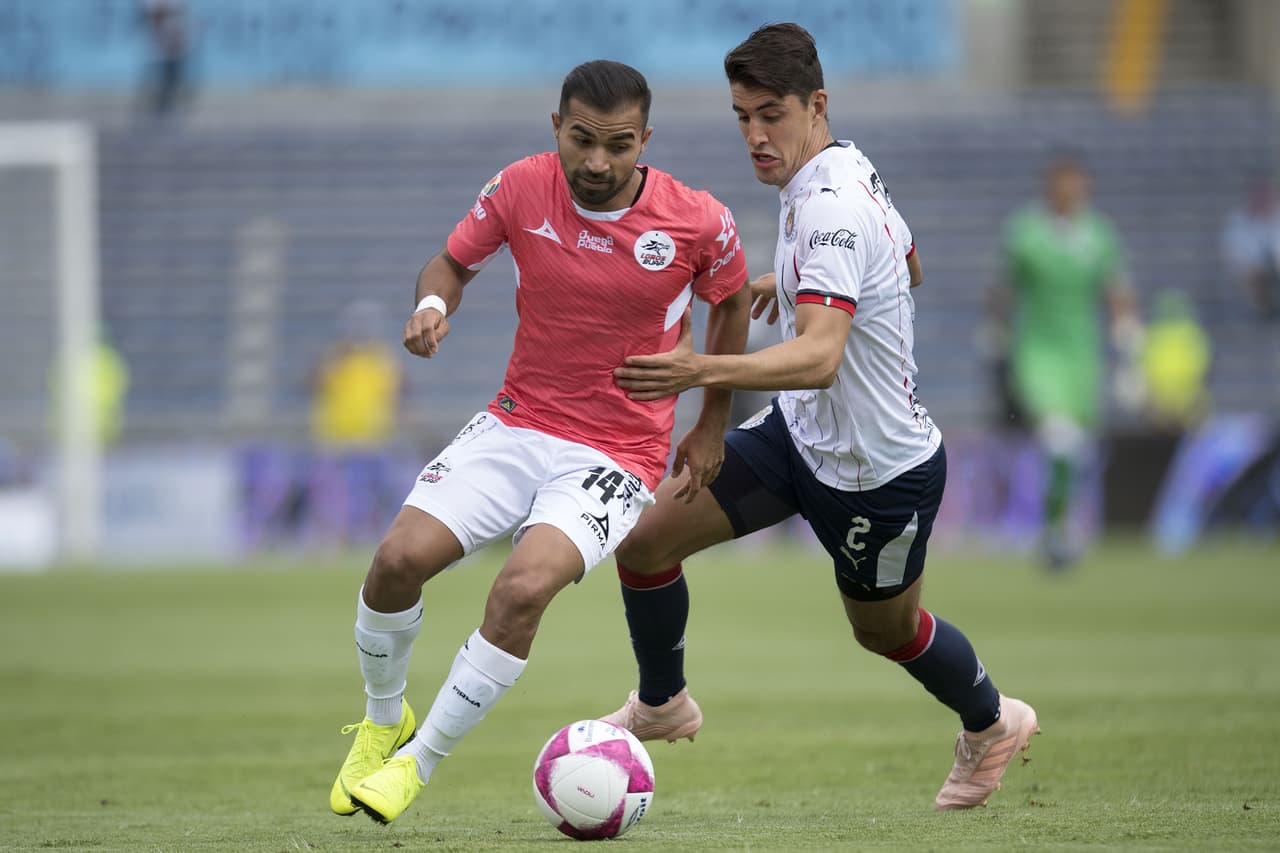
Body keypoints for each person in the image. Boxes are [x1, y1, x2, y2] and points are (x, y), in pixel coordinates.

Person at [599, 23, 1039, 812]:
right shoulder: (841, 170)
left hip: (880, 475)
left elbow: (819, 358)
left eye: (771, 114)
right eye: (742, 116)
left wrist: (701, 366)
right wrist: (802, 278)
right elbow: (907, 263)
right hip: (802, 437)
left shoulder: (831, 203)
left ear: (817, 105)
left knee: (885, 630)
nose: (755, 135)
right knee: (646, 538)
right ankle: (662, 702)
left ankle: (993, 719)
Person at [329, 60, 751, 824]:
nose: (597, 162)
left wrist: (712, 418)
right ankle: (384, 718)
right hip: (517, 421)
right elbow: (453, 262)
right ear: (556, 127)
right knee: (395, 562)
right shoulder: (524, 186)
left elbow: (730, 302)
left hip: (615, 454)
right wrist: (431, 302)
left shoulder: (698, 220)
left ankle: (413, 767)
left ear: (644, 141)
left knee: (522, 588)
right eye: (582, 140)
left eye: (618, 145)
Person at [993, 152, 1141, 568]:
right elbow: (1004, 287)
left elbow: (1117, 291)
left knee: (1076, 449)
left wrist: (1129, 343)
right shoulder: (1025, 233)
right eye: (1062, 182)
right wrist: (996, 332)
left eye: (1076, 183)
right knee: (1059, 438)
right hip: (1038, 353)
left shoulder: (1099, 235)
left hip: (1083, 356)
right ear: (1049, 186)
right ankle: (1057, 532)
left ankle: (1057, 528)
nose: (1069, 190)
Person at [309, 300, 404, 545]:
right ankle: (334, 538)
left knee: (367, 494)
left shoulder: (382, 359)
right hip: (337, 437)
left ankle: (365, 536)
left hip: (370, 439)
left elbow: (394, 395)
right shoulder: (336, 358)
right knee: (336, 495)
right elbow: (316, 383)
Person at [1220, 177, 1280, 322]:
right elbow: (1235, 254)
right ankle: (1265, 310)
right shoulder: (1239, 223)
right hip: (1254, 275)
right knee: (1256, 278)